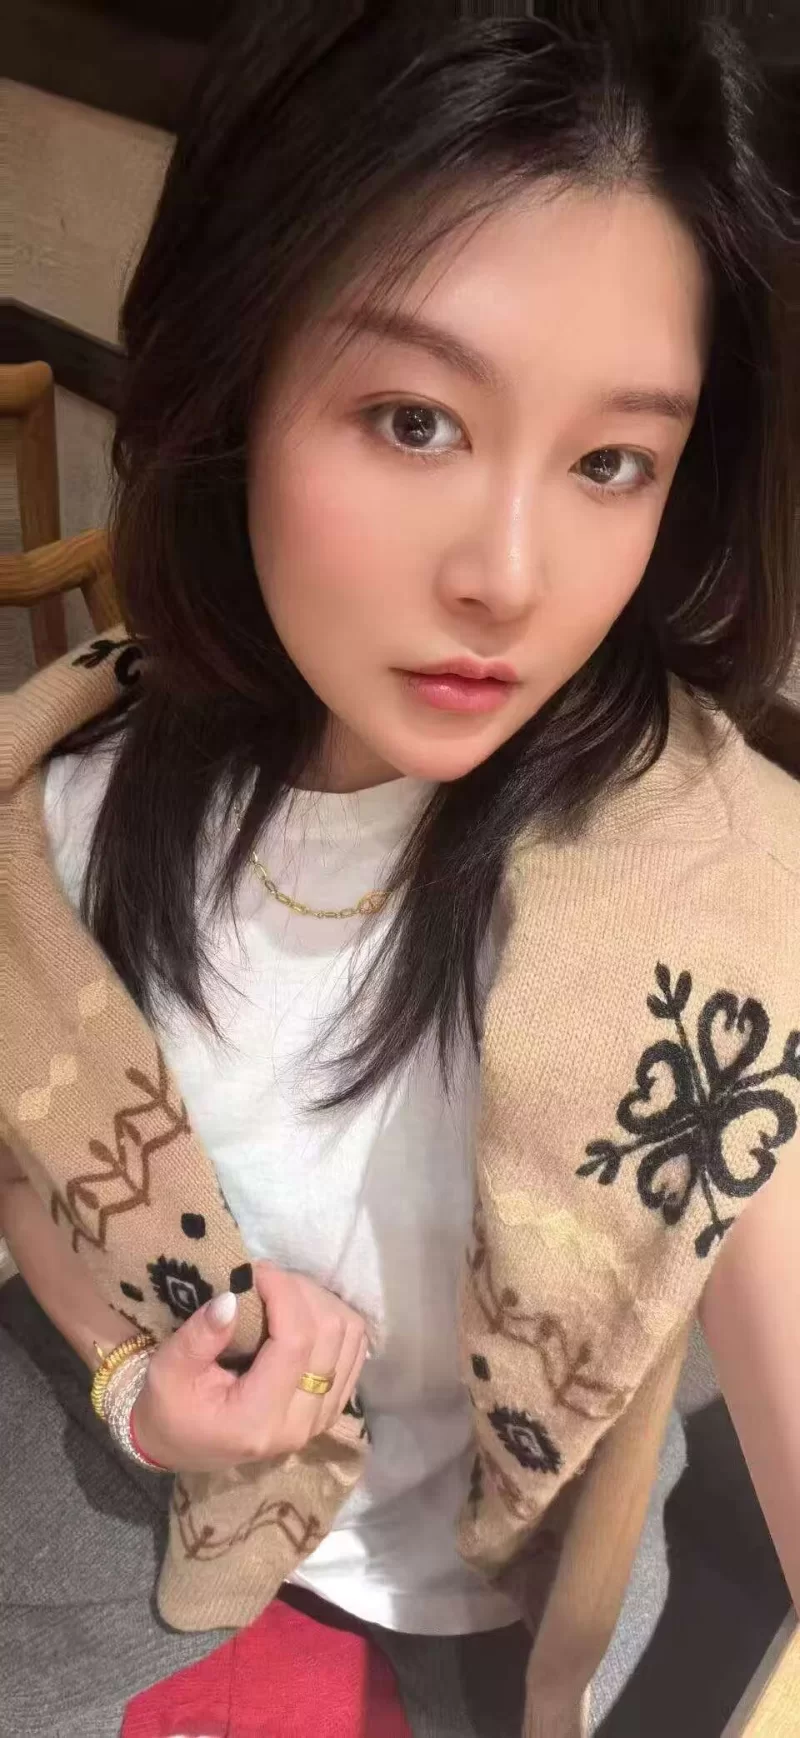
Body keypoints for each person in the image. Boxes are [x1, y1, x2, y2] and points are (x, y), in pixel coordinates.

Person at [1, 5, 798, 1736]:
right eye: (417, 420)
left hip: (488, 1641)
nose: (509, 573)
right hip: (137, 1557)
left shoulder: (708, 910)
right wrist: (138, 1387)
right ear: (237, 374)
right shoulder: (65, 817)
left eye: (611, 462)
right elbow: (38, 1194)